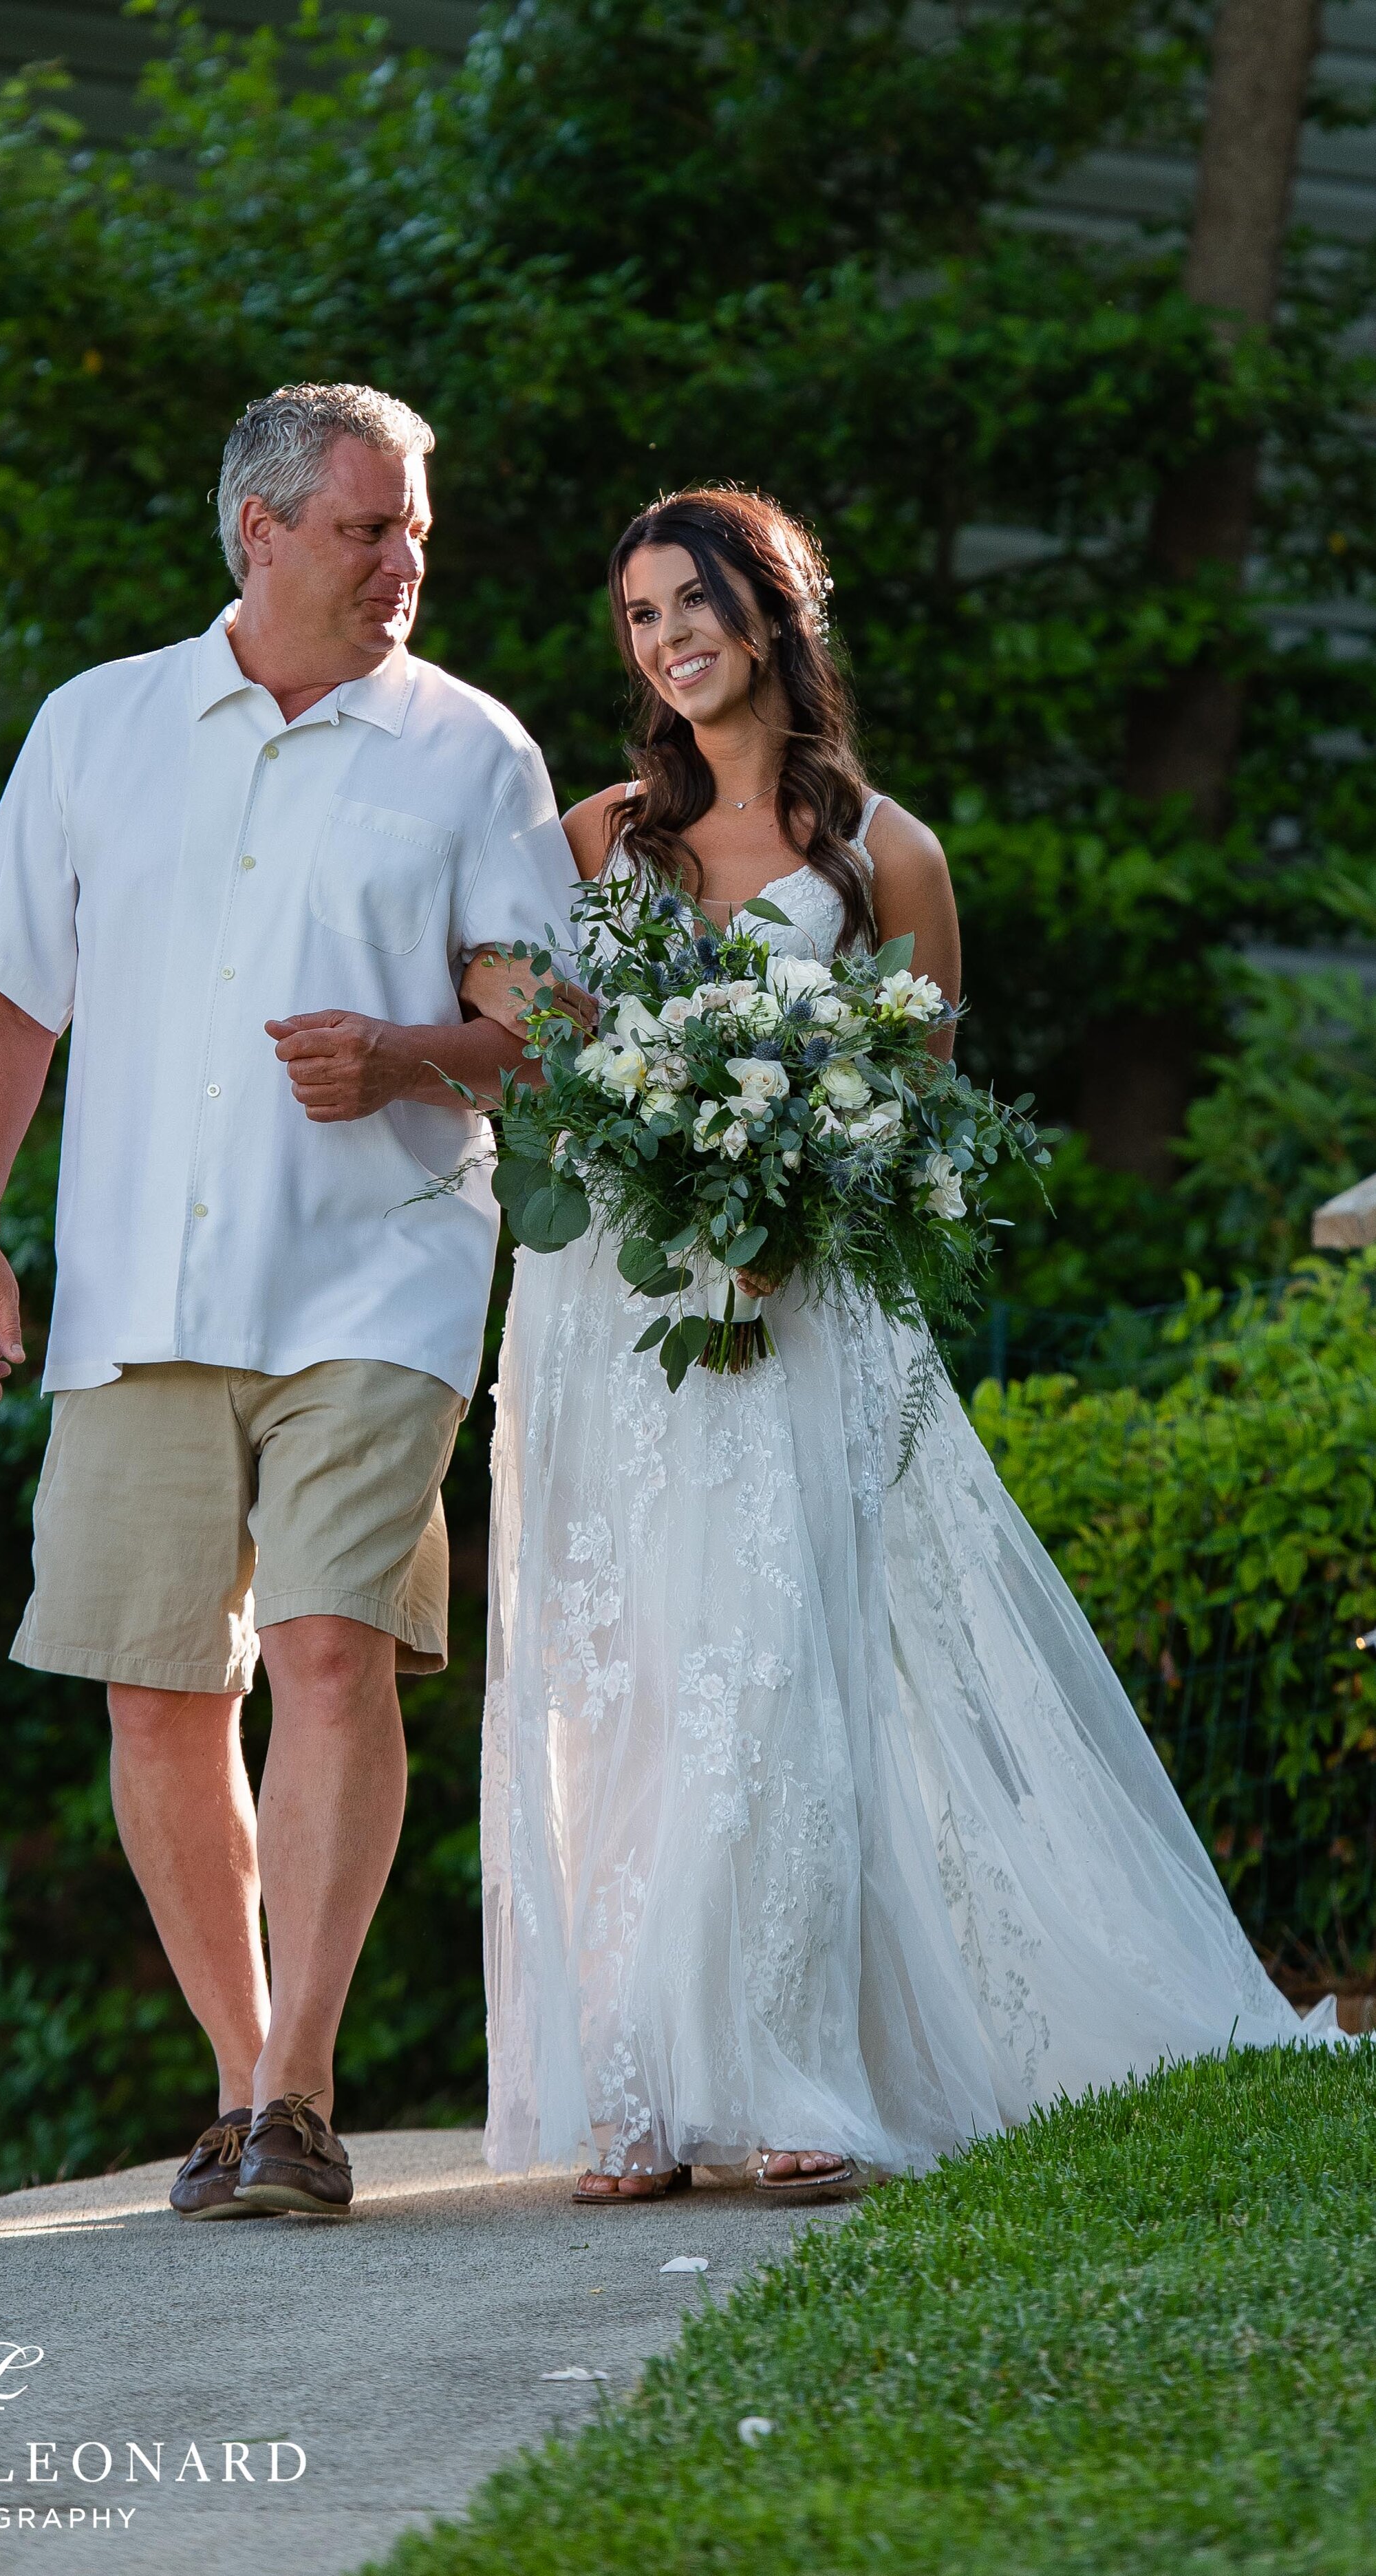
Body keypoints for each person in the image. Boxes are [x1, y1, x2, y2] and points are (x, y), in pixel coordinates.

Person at [464, 485, 1338, 2205]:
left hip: (798, 1314)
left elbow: (922, 1118)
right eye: (637, 618)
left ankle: (794, 2066)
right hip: (616, 1319)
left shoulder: (887, 853)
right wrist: (627, 1103)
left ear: (769, 606)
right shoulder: (596, 838)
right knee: (626, 1681)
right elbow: (525, 1024)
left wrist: (794, 1179)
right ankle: (633, 2084)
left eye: (689, 600)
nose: (665, 639)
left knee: (781, 1667)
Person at [0, 382, 579, 2220]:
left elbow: (542, 1037)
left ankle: (299, 2096)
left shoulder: (470, 754)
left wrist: (400, 1055)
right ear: (260, 533)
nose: (404, 560)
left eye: (416, 528)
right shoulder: (99, 729)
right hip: (138, 1282)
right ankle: (233, 2076)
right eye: (368, 528)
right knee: (151, 1694)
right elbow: (2, 1001)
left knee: (324, 1649)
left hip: (381, 1270)